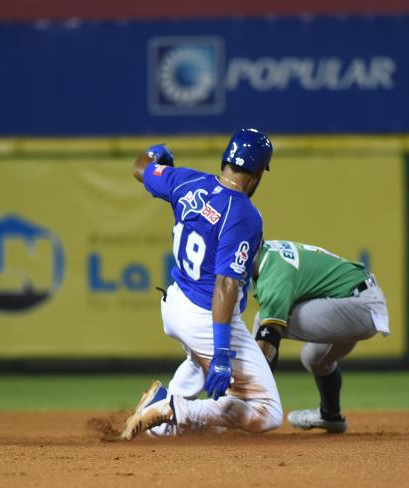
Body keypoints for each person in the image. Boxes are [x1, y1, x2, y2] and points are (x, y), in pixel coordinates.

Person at [121, 129, 282, 440]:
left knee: (197, 362)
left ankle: (159, 420)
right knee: (267, 411)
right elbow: (225, 284)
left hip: (175, 302)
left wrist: (157, 154)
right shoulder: (244, 214)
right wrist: (222, 351)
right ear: (259, 171)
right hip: (206, 315)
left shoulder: (186, 181)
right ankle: (173, 408)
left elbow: (140, 168)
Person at [251, 240, 390, 433]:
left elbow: (270, 334)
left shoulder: (272, 268)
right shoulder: (271, 254)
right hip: (352, 302)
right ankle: (331, 416)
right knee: (314, 359)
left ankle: (252, 404)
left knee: (264, 321)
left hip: (359, 305)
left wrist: (250, 391)